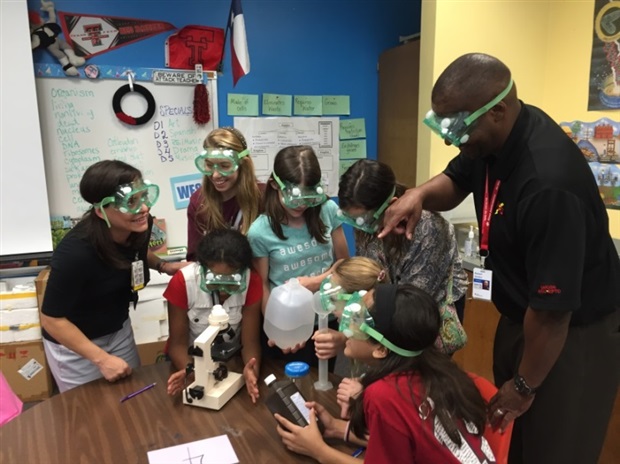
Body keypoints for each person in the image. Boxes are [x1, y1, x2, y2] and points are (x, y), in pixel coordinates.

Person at [379, 53, 620, 464]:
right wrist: (417, 195)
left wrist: (523, 386)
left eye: (456, 127)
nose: (448, 138)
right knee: (516, 445)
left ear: (498, 111)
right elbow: (457, 178)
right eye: (442, 125)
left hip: (572, 334)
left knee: (556, 450)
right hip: (522, 317)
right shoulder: (491, 142)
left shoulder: (547, 184)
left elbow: (552, 315)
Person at [274, 284, 496, 463]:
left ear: (381, 349)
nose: (346, 324)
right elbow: (408, 443)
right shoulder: (437, 372)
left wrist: (318, 450)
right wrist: (336, 427)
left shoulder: (384, 395)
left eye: (358, 319)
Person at [41, 160, 182, 392]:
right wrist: (101, 359)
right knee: (89, 414)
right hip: (76, 346)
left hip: (118, 330)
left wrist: (163, 266)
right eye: (131, 202)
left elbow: (135, 253)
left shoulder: (139, 225)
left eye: (144, 197)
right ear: (101, 211)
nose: (143, 208)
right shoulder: (76, 252)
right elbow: (52, 319)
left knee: (131, 399)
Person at [248, 145, 349, 365]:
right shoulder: (260, 231)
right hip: (288, 322)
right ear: (275, 185)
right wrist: (278, 326)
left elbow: (344, 264)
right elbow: (262, 285)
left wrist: (316, 282)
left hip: (324, 319)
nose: (302, 204)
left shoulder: (328, 211)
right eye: (294, 197)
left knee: (321, 389)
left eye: (309, 196)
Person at [338, 159, 469, 327]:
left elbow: (410, 304)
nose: (359, 226)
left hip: (426, 312)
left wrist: (360, 318)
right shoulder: (364, 222)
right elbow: (368, 272)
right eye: (352, 220)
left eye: (363, 220)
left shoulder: (429, 229)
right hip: (386, 306)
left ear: (391, 204)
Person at [163, 228, 262, 402]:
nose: (221, 291)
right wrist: (191, 371)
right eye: (214, 282)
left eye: (230, 284)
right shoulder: (182, 282)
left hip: (230, 363)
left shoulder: (251, 281)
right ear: (201, 270)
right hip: (188, 361)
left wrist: (251, 370)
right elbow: (176, 345)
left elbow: (250, 342)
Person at [187, 126, 263, 261]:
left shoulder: (263, 197)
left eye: (225, 166)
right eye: (209, 165)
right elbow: (195, 257)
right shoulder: (199, 202)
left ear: (242, 164)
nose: (215, 175)